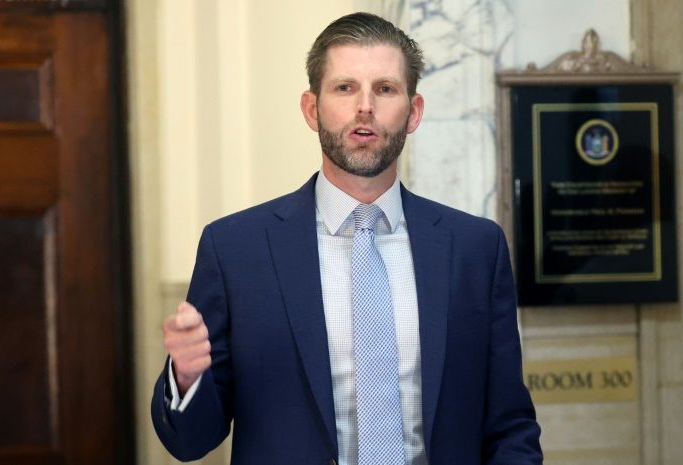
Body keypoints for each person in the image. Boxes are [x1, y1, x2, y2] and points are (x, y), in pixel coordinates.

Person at [151, 11, 542, 465]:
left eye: (385, 88)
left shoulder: (476, 248)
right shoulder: (236, 249)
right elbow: (190, 443)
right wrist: (186, 378)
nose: (365, 107)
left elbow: (510, 425)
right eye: (344, 87)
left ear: (413, 112)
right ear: (311, 109)